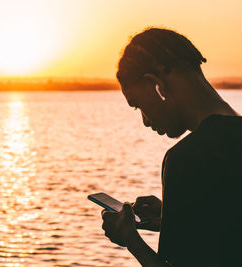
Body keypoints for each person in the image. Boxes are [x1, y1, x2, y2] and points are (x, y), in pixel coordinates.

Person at [100, 27, 241, 266]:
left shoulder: (187, 159)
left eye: (137, 105)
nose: (144, 120)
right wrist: (173, 220)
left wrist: (131, 240)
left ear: (157, 85)